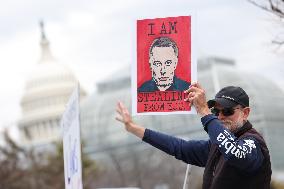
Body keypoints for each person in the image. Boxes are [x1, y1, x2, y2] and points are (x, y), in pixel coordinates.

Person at [116, 83, 272, 189]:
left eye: (227, 111)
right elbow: (178, 147)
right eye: (216, 112)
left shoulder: (253, 142)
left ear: (245, 113)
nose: (220, 117)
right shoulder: (216, 146)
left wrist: (204, 111)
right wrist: (133, 128)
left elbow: (235, 154)